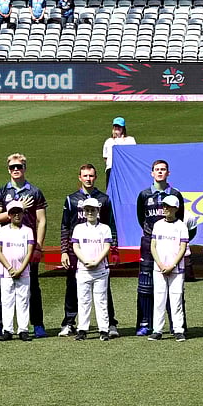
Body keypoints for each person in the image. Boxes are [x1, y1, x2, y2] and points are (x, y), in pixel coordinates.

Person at [0, 153, 48, 339]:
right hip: (6, 245)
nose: (15, 170)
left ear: (24, 168)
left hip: (27, 244)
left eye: (19, 167)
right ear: (8, 169)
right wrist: (17, 207)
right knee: (2, 286)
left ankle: (37, 324)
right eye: (12, 167)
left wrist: (38, 246)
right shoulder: (1, 191)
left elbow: (42, 221)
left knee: (33, 285)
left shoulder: (35, 191)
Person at [59, 163, 119, 337]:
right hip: (75, 249)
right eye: (85, 176)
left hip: (99, 248)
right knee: (72, 287)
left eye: (91, 176)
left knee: (104, 289)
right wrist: (64, 250)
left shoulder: (104, 199)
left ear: (95, 177)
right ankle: (70, 322)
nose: (88, 179)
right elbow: (65, 226)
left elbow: (111, 224)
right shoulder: (71, 199)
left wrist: (113, 250)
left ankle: (110, 323)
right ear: (80, 177)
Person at [134, 160, 186, 336]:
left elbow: (181, 218)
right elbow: (141, 217)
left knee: (175, 288)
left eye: (163, 170)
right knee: (146, 285)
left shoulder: (176, 195)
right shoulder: (144, 195)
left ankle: (176, 326)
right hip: (150, 243)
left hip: (171, 243)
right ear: (152, 173)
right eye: (157, 170)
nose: (160, 172)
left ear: (168, 173)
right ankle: (145, 323)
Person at [71, 197, 113, 341]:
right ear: (84, 212)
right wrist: (85, 261)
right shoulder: (78, 228)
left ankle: (104, 329)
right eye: (87, 210)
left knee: (101, 300)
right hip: (83, 270)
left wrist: (96, 261)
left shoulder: (104, 228)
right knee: (83, 300)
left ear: (98, 211)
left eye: (92, 210)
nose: (90, 213)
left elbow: (107, 247)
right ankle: (82, 329)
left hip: (100, 270)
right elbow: (76, 247)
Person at [149, 196, 189, 342]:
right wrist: (160, 264)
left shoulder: (181, 226)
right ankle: (157, 330)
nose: (165, 208)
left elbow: (182, 248)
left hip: (176, 269)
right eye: (164, 206)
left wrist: (172, 265)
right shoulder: (158, 224)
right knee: (159, 299)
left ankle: (178, 330)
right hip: (159, 268)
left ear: (176, 209)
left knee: (176, 299)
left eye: (169, 206)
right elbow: (153, 246)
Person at [0, 201, 35, 342]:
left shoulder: (28, 231)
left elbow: (29, 252)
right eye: (13, 212)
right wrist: (10, 268)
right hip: (6, 272)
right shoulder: (2, 231)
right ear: (9, 215)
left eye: (19, 212)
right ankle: (8, 330)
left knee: (23, 300)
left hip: (23, 271)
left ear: (23, 213)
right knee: (7, 301)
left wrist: (21, 269)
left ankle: (23, 330)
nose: (17, 215)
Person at [102, 117, 137, 185]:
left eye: (119, 126)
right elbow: (105, 158)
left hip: (125, 169)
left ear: (123, 128)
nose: (117, 128)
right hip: (111, 169)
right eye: (115, 126)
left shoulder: (130, 140)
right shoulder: (108, 141)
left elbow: (133, 154)